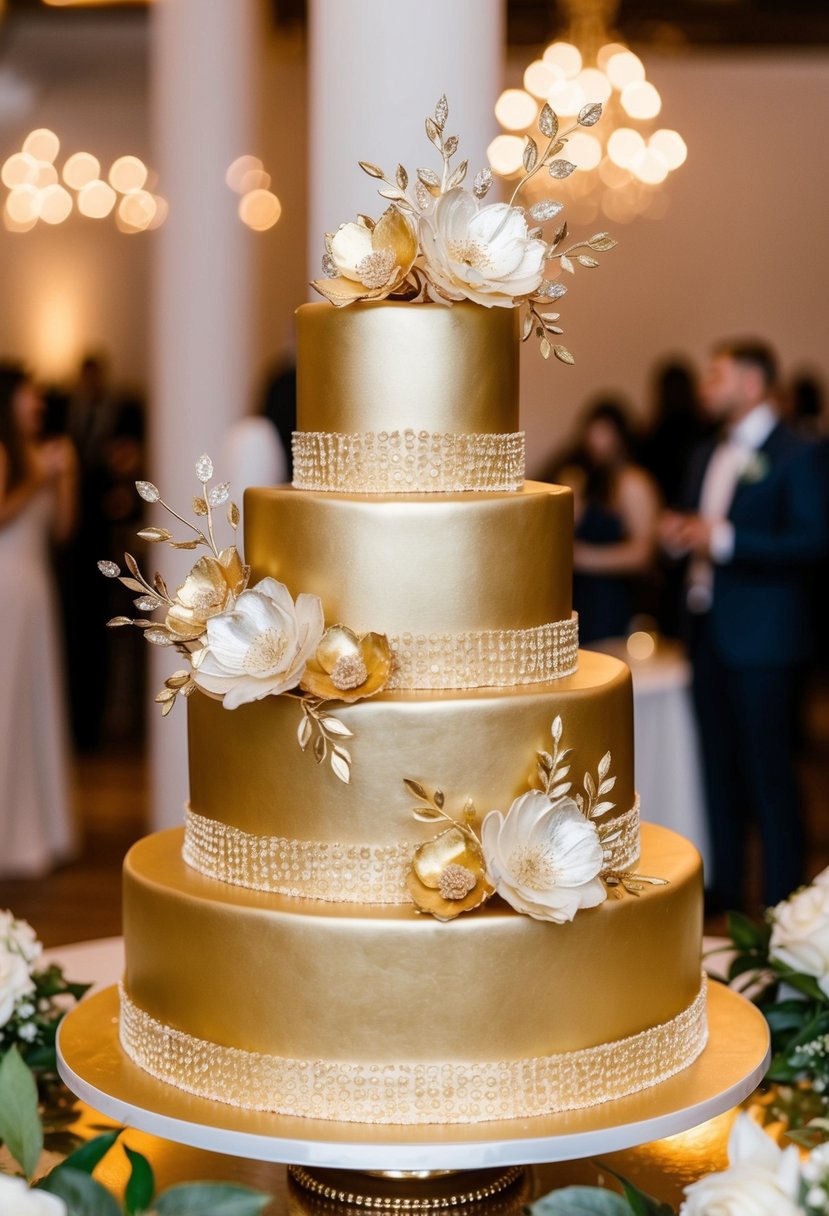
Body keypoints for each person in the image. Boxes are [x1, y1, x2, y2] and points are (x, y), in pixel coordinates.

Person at [661, 339, 828, 911]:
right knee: (717, 772)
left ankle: (785, 909)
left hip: (766, 641)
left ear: (752, 384)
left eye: (717, 376)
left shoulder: (798, 452)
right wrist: (678, 535)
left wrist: (725, 539)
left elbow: (814, 539)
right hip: (707, 633)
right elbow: (696, 523)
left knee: (770, 777)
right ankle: (726, 899)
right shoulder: (707, 453)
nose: (707, 387)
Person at [0, 363, 78, 877]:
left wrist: (66, 476)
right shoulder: (7, 454)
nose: (38, 404)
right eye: (29, 395)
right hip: (6, 585)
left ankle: (40, 830)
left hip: (37, 587)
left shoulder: (46, 454)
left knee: (34, 700)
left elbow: (64, 530)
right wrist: (38, 476)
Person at [556, 399, 661, 644]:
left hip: (614, 597)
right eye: (591, 431)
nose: (595, 440)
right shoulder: (584, 479)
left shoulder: (633, 482)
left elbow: (644, 554)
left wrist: (584, 557)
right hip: (581, 595)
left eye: (603, 432)